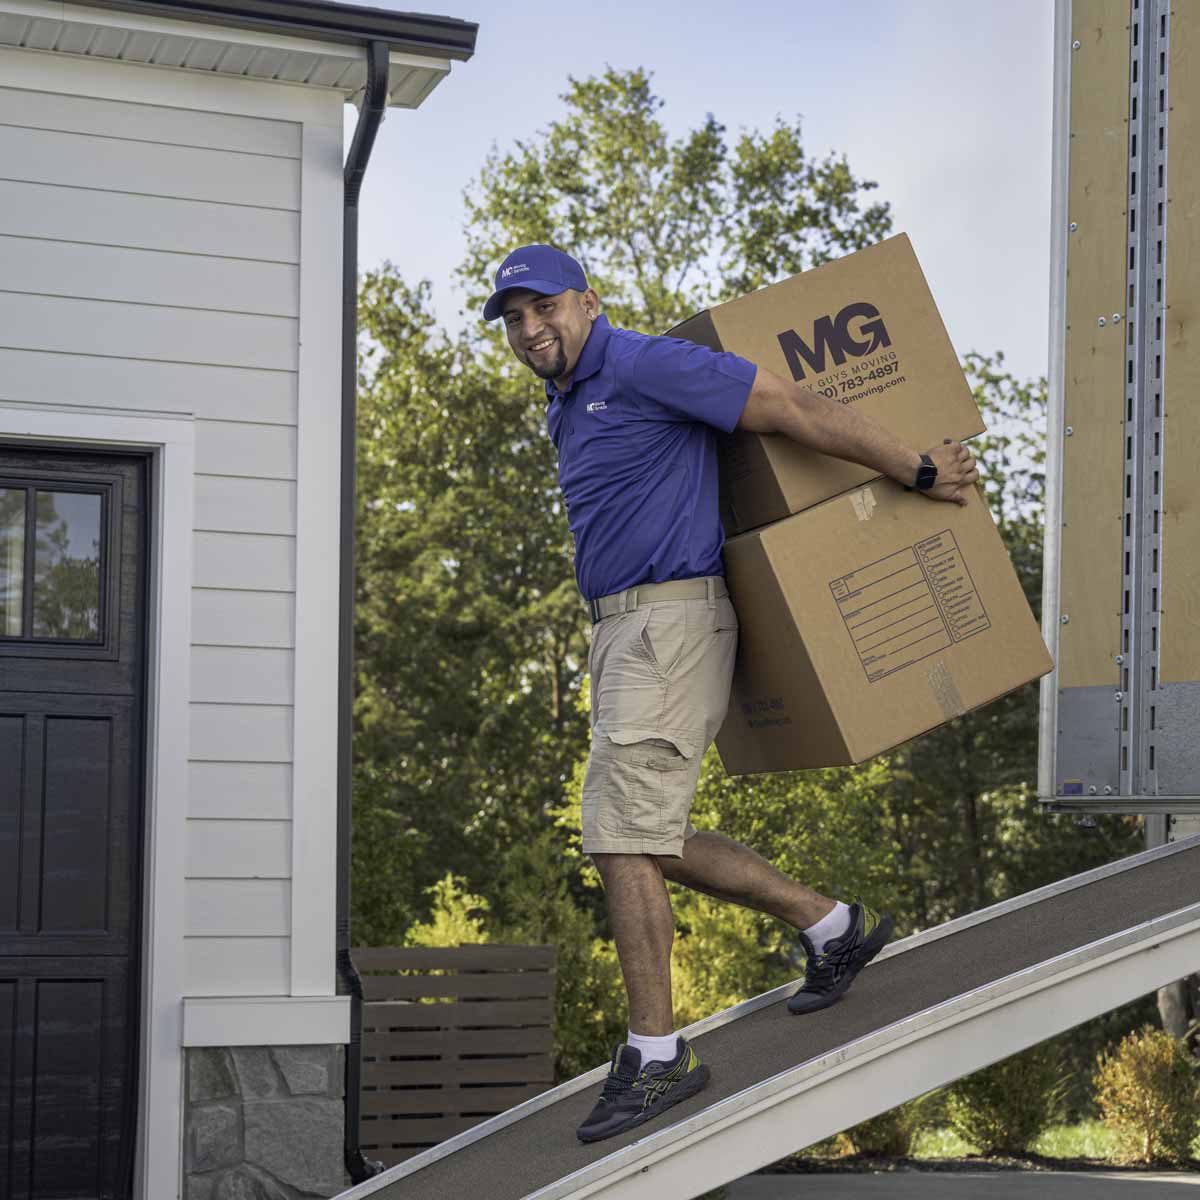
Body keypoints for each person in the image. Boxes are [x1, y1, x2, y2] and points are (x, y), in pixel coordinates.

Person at [482, 244, 979, 1145]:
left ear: (587, 303)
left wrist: (915, 469)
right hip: (624, 634)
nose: (528, 330)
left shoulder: (643, 362)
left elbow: (792, 407)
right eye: (512, 319)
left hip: (666, 626)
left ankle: (658, 1055)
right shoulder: (569, 403)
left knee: (621, 837)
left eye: (542, 308)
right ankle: (831, 925)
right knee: (645, 838)